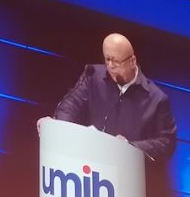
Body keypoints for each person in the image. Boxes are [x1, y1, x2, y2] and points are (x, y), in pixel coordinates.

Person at [49, 33, 177, 161]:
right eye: (107, 59)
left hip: (127, 171)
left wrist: (130, 148)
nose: (110, 66)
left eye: (116, 61)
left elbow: (167, 142)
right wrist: (61, 128)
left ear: (132, 61)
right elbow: (71, 104)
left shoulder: (157, 99)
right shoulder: (92, 76)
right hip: (88, 163)